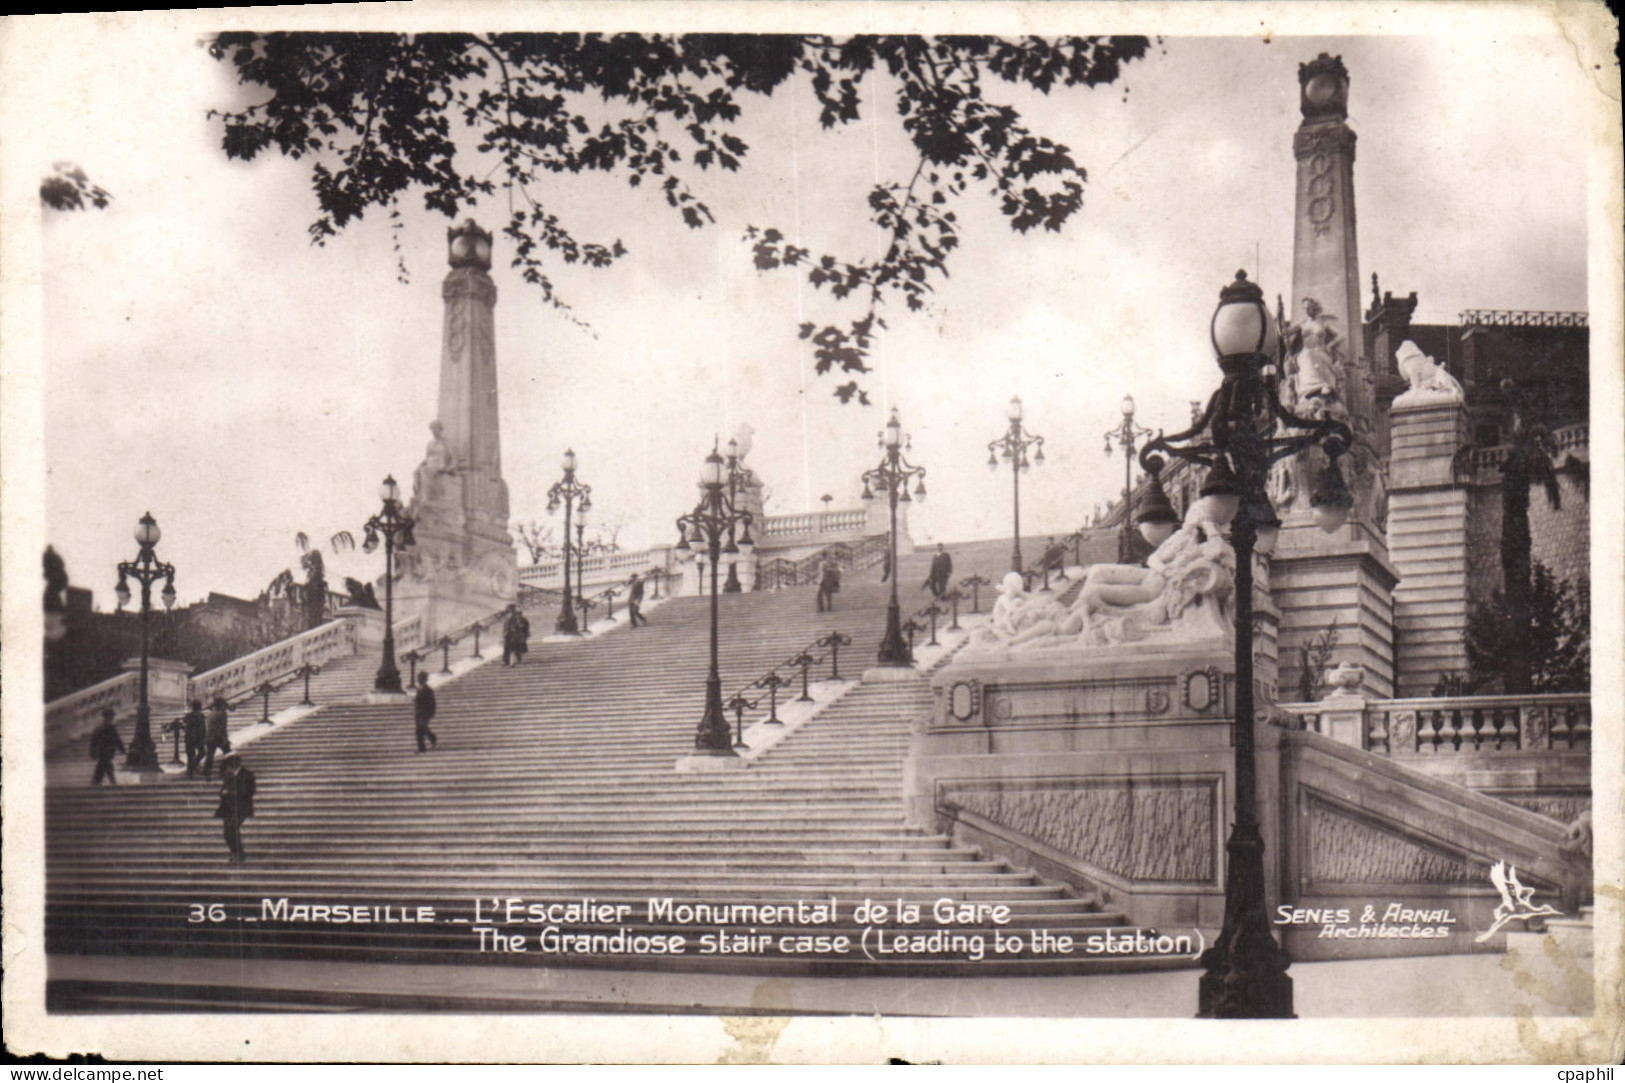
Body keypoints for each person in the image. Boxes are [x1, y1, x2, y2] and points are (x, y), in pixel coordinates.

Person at [214, 752, 257, 864]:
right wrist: (224, 793)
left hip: (242, 807)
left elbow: (249, 791)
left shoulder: (247, 775)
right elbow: (223, 791)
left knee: (232, 829)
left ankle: (239, 854)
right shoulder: (229, 775)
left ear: (238, 762)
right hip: (228, 807)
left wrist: (231, 793)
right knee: (227, 833)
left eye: (232, 762)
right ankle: (236, 853)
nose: (230, 765)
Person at [89, 708, 125, 785]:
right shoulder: (110, 727)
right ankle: (109, 782)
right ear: (109, 717)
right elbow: (116, 739)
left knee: (104, 766)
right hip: (108, 750)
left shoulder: (98, 727)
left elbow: (93, 741)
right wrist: (122, 749)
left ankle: (98, 782)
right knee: (105, 766)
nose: (112, 718)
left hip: (101, 750)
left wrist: (92, 751)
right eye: (111, 716)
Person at [203, 695, 232, 780]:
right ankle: (224, 771)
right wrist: (225, 739)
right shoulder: (222, 714)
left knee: (210, 756)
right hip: (218, 737)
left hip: (210, 737)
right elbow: (222, 728)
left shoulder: (211, 713)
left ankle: (207, 772)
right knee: (229, 754)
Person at [182, 698, 207, 779]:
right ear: (199, 707)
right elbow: (202, 728)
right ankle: (193, 766)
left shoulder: (189, 716)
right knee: (202, 752)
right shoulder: (200, 716)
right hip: (197, 738)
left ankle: (190, 772)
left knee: (190, 755)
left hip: (189, 738)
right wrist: (204, 737)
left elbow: (184, 723)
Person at [415, 672, 438, 752]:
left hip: (425, 713)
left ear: (424, 679)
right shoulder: (419, 689)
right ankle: (432, 738)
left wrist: (431, 712)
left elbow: (432, 702)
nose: (418, 680)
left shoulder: (428, 690)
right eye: (418, 678)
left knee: (420, 729)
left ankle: (422, 748)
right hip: (419, 713)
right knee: (421, 729)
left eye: (420, 678)